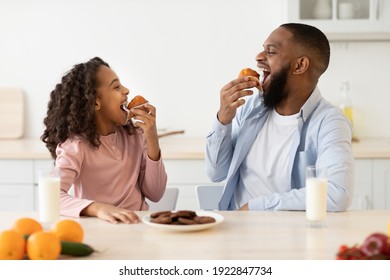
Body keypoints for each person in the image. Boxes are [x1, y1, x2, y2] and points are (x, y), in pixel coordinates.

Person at [205, 23, 354, 211]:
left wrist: (254, 207)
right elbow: (216, 173)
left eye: (271, 52)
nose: (259, 57)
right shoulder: (251, 107)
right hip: (236, 232)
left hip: (290, 235)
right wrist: (223, 120)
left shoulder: (330, 122)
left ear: (299, 65)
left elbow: (336, 193)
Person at [41, 57, 167, 223]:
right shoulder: (76, 146)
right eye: (116, 87)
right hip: (97, 229)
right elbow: (53, 197)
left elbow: (155, 194)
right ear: (95, 103)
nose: (126, 90)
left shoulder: (135, 136)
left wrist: (152, 140)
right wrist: (98, 208)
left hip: (137, 227)